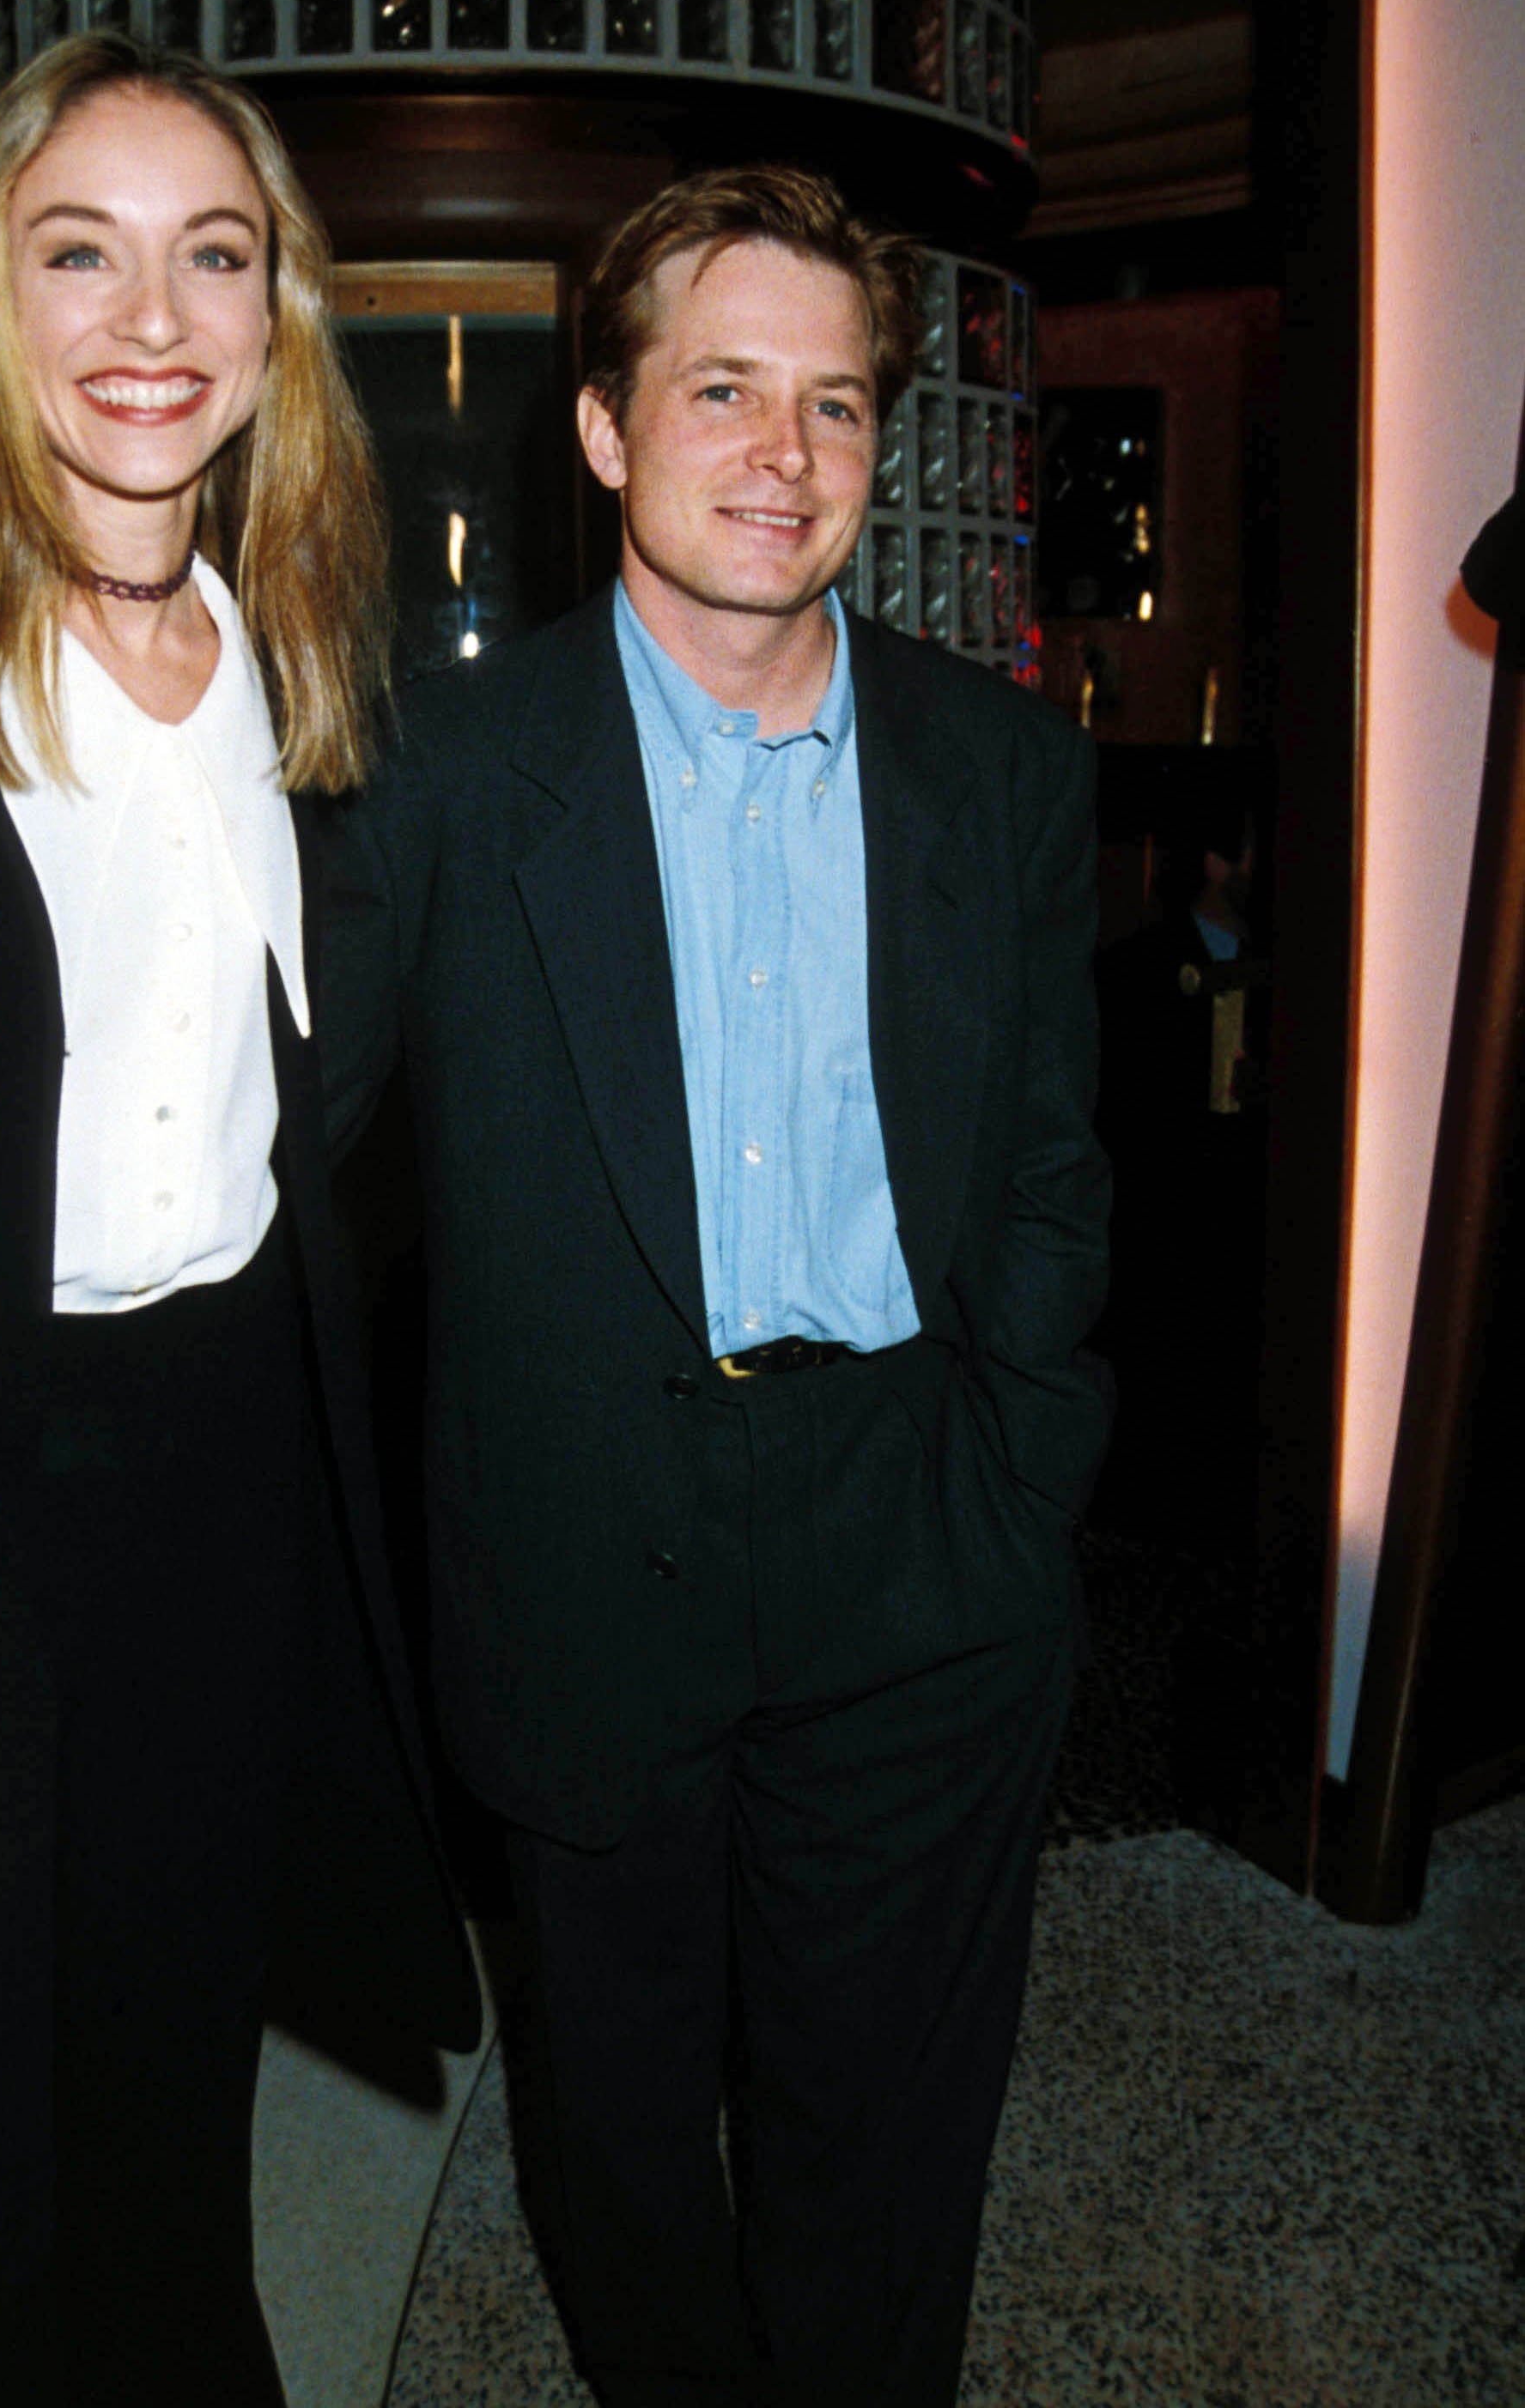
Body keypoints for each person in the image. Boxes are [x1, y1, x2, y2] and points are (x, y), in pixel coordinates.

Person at [0, 31, 476, 2408]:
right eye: (81, 251)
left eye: (212, 254)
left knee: (159, 2186)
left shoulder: (276, 665)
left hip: (204, 1517)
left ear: (275, 318)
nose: (154, 314)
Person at [319, 166, 1112, 2407]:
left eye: (837, 406)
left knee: (887, 2148)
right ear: (603, 427)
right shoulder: (446, 777)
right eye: (726, 389)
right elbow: (281, 1156)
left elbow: (1055, 1163)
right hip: (585, 1542)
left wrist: (1019, 1474)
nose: (786, 455)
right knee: (623, 2138)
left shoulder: (1006, 770)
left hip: (918, 1538)